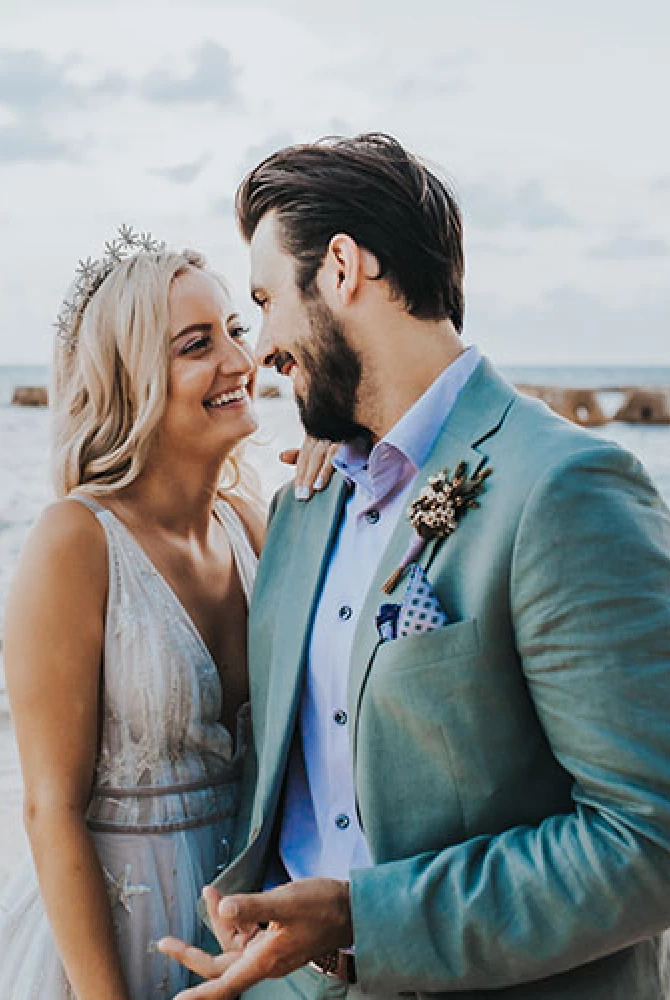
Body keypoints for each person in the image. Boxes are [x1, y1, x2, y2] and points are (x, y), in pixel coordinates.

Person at [159, 134, 670, 1000]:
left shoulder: (565, 488)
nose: (264, 350)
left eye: (266, 299)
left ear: (345, 269)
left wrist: (366, 918)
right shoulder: (306, 504)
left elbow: (648, 839)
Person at [0, 230, 333, 1000]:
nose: (239, 363)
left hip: (246, 933)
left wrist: (342, 457)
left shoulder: (257, 526)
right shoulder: (76, 540)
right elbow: (50, 808)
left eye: (236, 332)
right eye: (195, 345)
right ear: (131, 379)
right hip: (111, 939)